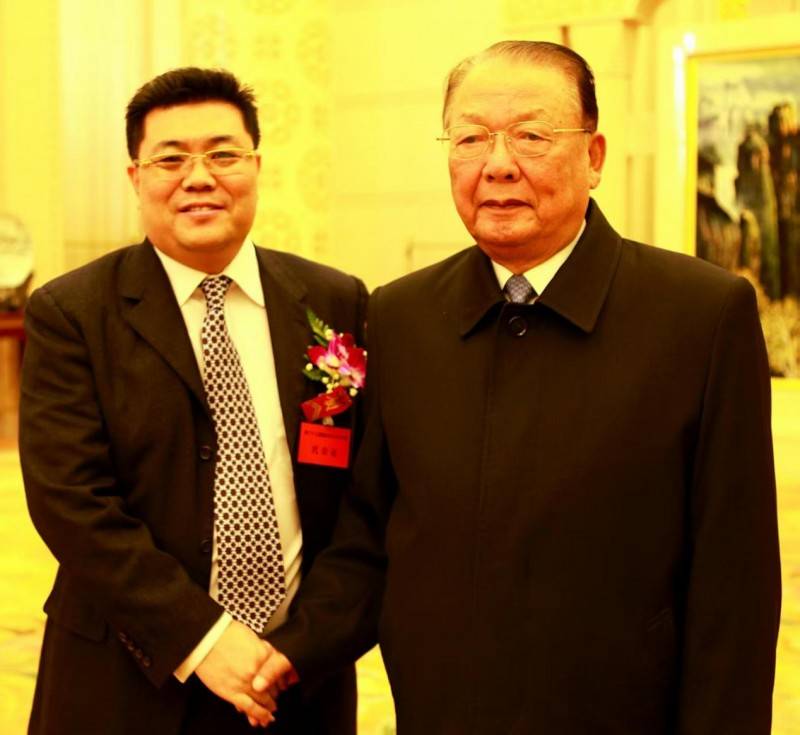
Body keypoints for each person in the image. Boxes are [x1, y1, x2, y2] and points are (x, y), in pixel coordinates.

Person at [259, 41, 782, 733]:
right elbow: (370, 537)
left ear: (594, 156)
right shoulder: (401, 315)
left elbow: (735, 585)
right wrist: (285, 655)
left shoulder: (700, 314)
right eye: (471, 138)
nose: (498, 163)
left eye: (532, 136)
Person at [19, 67, 366, 734]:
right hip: (130, 673)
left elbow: (363, 494)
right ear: (135, 178)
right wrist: (205, 638)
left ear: (256, 166)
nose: (199, 177)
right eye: (171, 159)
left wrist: (307, 642)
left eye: (223, 154)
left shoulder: (334, 301)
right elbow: (71, 501)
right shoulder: (73, 313)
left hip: (297, 676)